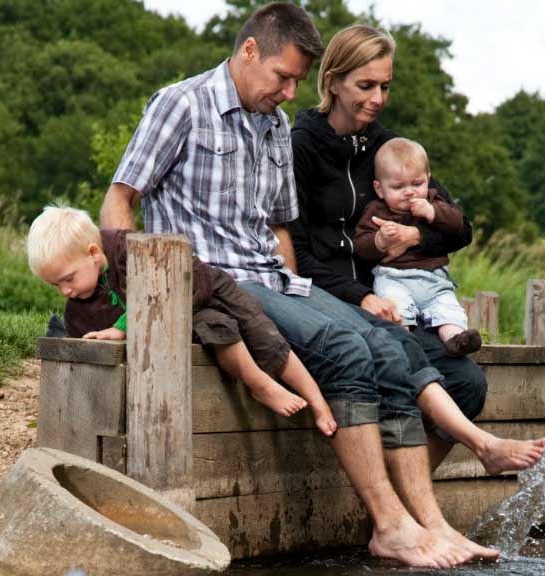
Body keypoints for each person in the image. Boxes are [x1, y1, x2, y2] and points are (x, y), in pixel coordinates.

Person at [100, 3, 498, 568]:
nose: (290, 92)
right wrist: (134, 307)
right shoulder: (181, 104)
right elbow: (122, 198)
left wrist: (296, 289)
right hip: (216, 280)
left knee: (386, 345)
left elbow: (281, 228)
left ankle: (428, 522)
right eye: (283, 76)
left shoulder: (274, 125)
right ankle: (390, 526)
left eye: (296, 80)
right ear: (249, 51)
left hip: (271, 277)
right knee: (343, 348)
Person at [289, 24, 545, 476]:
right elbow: (299, 253)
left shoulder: (389, 148)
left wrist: (417, 238)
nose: (378, 98)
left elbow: (458, 227)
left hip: (399, 300)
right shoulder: (302, 147)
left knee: (467, 382)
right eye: (365, 85)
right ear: (332, 82)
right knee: (390, 367)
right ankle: (399, 500)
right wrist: (361, 297)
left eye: (385, 86)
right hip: (335, 300)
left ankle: (403, 497)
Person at [25, 204, 337, 437]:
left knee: (262, 332)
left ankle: (317, 400)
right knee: (216, 328)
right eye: (55, 285)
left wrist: (123, 328)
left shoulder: (128, 248)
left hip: (200, 289)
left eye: (67, 279)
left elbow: (172, 285)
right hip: (189, 320)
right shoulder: (78, 306)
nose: (65, 290)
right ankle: (260, 384)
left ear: (93, 253)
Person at [354, 137, 482, 357]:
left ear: (428, 180)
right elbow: (360, 246)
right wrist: (380, 241)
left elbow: (458, 224)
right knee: (396, 308)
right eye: (398, 187)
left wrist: (432, 212)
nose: (409, 192)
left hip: (434, 278)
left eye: (417, 184)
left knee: (447, 308)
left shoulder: (433, 201)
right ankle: (403, 341)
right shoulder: (376, 210)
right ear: (380, 189)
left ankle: (456, 339)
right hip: (393, 277)